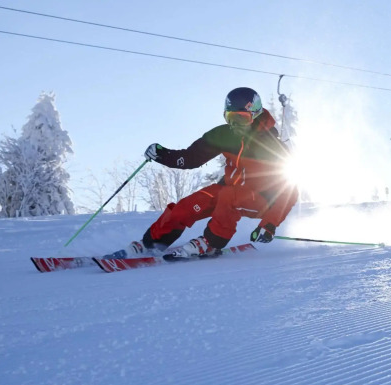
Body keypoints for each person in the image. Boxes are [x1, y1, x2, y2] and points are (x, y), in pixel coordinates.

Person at [110, 87, 298, 259]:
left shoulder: (272, 147)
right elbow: (191, 158)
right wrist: (163, 154)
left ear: (254, 115)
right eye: (230, 118)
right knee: (188, 205)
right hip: (230, 192)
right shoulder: (224, 135)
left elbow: (289, 189)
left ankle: (211, 243)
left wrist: (269, 224)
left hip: (264, 200)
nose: (235, 124)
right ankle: (152, 243)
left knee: (227, 195)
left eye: (241, 118)